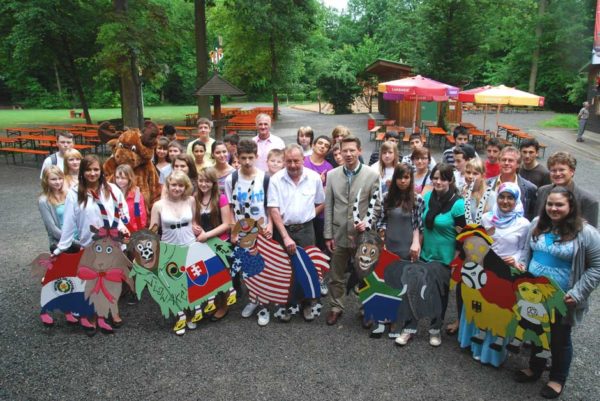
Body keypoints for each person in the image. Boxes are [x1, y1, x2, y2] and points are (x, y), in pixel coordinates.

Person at [515, 186, 600, 399]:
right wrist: (521, 265)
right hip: (534, 293)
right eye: (550, 204)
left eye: (559, 204)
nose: (553, 208)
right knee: (537, 330)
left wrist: (578, 292)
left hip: (562, 297)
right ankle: (535, 368)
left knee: (559, 338)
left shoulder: (586, 233)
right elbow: (526, 251)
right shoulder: (537, 223)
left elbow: (597, 267)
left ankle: (557, 378)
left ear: (571, 206)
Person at [54, 155, 130, 332]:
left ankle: (114, 310)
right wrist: (60, 248)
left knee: (112, 279)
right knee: (93, 280)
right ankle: (94, 314)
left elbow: (122, 213)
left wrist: (122, 228)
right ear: (82, 172)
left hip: (112, 243)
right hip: (90, 243)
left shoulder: (112, 189)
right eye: (88, 169)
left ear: (101, 171)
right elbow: (69, 222)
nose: (92, 173)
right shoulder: (74, 193)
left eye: (96, 169)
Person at [458, 182, 530, 367]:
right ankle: (473, 345)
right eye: (502, 197)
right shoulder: (486, 218)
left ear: (517, 200)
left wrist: (516, 260)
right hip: (484, 269)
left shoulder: (523, 224)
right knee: (478, 306)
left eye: (510, 198)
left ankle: (491, 354)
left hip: (505, 273)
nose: (505, 201)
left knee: (497, 311)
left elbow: (524, 249)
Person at [324, 135, 380, 326]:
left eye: (352, 150)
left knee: (365, 274)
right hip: (338, 233)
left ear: (359, 151)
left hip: (362, 236)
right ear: (339, 152)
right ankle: (335, 307)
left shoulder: (371, 175)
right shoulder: (332, 175)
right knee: (336, 274)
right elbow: (328, 206)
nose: (348, 154)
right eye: (344, 150)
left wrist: (368, 221)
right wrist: (328, 234)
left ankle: (366, 309)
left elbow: (376, 204)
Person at [268, 144, 326, 322]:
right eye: (289, 161)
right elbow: (273, 208)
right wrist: (285, 237)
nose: (292, 165)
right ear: (284, 160)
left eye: (296, 161)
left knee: (308, 267)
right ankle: (286, 304)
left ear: (303, 160)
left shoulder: (314, 178)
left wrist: (310, 215)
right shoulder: (276, 179)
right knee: (284, 269)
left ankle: (307, 303)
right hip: (283, 230)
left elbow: (321, 202)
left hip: (306, 229)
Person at [410, 163, 466, 347]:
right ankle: (410, 327)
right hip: (426, 253)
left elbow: (462, 237)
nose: (438, 182)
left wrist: (455, 261)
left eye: (443, 178)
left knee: (439, 295)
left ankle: (435, 329)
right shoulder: (427, 197)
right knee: (416, 291)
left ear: (450, 180)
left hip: (445, 258)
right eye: (435, 178)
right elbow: (421, 225)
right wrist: (417, 246)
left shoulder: (458, 204)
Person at [224, 139, 274, 325]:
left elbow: (270, 206)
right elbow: (230, 208)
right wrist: (233, 231)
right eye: (243, 158)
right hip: (242, 233)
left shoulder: (265, 178)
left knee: (263, 270)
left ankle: (264, 307)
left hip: (261, 232)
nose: (246, 162)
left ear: (256, 156)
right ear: (237, 156)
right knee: (248, 270)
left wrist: (270, 226)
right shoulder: (231, 179)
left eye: (250, 158)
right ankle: (253, 300)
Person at [150, 170, 198, 336]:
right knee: (175, 285)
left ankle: (191, 314)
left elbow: (194, 222)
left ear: (186, 187)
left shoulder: (191, 200)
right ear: (168, 185)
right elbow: (153, 230)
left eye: (181, 185)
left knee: (191, 283)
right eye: (174, 185)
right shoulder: (158, 205)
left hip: (190, 245)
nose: (177, 188)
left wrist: (199, 231)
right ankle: (180, 317)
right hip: (169, 249)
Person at [38, 166, 80, 326]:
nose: (57, 182)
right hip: (62, 243)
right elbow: (53, 229)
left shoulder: (69, 194)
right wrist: (74, 242)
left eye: (60, 178)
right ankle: (62, 309)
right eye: (53, 179)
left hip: (76, 240)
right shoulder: (44, 201)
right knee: (63, 278)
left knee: (76, 277)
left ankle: (72, 307)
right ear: (46, 181)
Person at [193, 167, 233, 321]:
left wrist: (206, 235)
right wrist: (193, 226)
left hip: (219, 242)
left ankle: (224, 306)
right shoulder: (195, 198)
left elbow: (227, 224)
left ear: (213, 183)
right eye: (201, 181)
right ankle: (215, 303)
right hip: (202, 244)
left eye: (207, 181)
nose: (204, 184)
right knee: (209, 277)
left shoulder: (221, 198)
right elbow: (192, 219)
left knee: (222, 276)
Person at [535, 151, 598, 228]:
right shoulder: (542, 191)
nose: (557, 173)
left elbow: (590, 233)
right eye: (553, 170)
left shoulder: (588, 201)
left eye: (561, 170)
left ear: (572, 171)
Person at [377, 163, 423, 261]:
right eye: (399, 177)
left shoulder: (417, 199)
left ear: (411, 179)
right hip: (388, 246)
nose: (403, 181)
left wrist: (417, 243)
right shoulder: (386, 197)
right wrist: (381, 238)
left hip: (409, 247)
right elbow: (382, 221)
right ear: (395, 179)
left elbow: (418, 226)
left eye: (406, 177)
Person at [303, 135, 334, 259]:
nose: (322, 146)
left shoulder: (329, 168)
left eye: (326, 146)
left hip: (320, 214)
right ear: (313, 145)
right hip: (302, 211)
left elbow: (327, 194)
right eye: (320, 143)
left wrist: (320, 185)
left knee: (318, 248)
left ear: (328, 151)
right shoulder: (303, 161)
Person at [488, 146, 537, 220]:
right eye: (503, 160)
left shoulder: (529, 188)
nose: (506, 163)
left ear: (518, 164)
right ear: (499, 162)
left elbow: (531, 215)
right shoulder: (487, 184)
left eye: (510, 160)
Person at [113, 164, 147, 233]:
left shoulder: (136, 195)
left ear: (129, 178)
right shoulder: (113, 192)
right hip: (116, 231)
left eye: (123, 178)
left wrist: (135, 232)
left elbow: (142, 216)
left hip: (132, 231)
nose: (119, 180)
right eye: (117, 177)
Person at [462, 158, 495, 225]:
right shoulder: (460, 192)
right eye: (468, 172)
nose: (470, 176)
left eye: (475, 173)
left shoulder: (491, 195)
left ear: (482, 176)